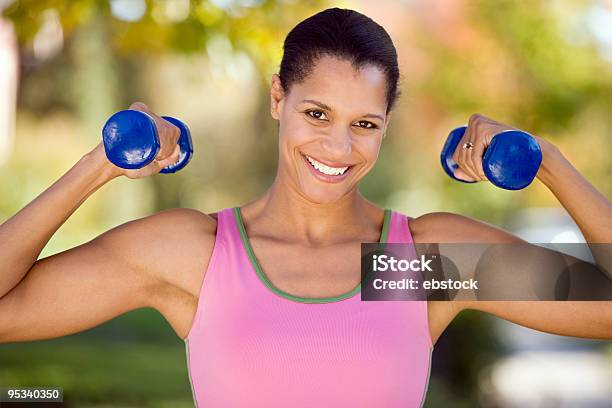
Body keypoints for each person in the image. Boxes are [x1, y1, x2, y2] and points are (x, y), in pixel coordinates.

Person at [1, 7, 610, 408]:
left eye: (364, 123)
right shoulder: (200, 255)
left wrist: (546, 159)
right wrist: (104, 162)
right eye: (316, 113)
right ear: (277, 98)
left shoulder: (408, 264)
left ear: (386, 126)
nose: (338, 147)